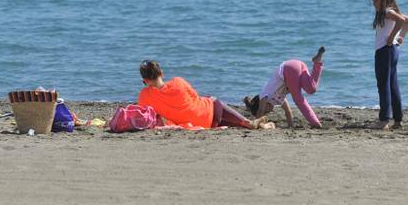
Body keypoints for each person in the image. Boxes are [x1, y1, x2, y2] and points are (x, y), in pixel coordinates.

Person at [138, 60, 273, 130]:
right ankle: (248, 122)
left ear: (145, 80)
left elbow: (148, 116)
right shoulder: (178, 81)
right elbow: (195, 96)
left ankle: (261, 126)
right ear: (162, 73)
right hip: (209, 113)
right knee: (211, 100)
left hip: (203, 124)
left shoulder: (144, 96)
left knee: (220, 119)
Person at [243, 47, 326, 129]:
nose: (270, 111)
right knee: (311, 88)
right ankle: (317, 63)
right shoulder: (278, 99)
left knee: (298, 99)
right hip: (298, 64)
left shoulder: (264, 96)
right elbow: (288, 111)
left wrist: (256, 123)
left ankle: (315, 123)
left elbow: (260, 111)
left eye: (267, 111)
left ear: (261, 105)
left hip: (287, 69)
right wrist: (290, 126)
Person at [369, 0, 408, 130]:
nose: (374, 3)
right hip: (391, 51)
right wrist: (401, 37)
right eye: (373, 0)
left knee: (383, 86)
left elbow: (402, 20)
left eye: (376, 0)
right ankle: (398, 120)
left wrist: (394, 37)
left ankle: (384, 120)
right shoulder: (386, 12)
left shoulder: (388, 12)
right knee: (392, 85)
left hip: (385, 51)